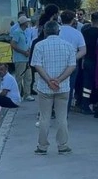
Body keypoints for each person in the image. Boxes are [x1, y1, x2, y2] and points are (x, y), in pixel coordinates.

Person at [30, 21, 76, 155]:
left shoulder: (39, 46)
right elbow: (72, 66)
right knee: (62, 118)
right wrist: (59, 80)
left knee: (44, 118)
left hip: (45, 88)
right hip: (63, 88)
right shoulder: (68, 46)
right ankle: (63, 146)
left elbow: (37, 65)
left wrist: (49, 80)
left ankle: (42, 146)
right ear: (58, 32)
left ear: (45, 31)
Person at [58, 10, 86, 112]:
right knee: (69, 88)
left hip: (57, 62)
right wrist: (73, 58)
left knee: (56, 85)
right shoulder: (77, 33)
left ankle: (55, 109)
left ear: (61, 19)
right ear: (72, 20)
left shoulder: (57, 31)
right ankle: (66, 110)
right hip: (72, 64)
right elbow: (83, 51)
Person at [78, 12, 98, 114]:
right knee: (97, 83)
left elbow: (82, 47)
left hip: (87, 59)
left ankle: (85, 104)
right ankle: (95, 103)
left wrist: (83, 60)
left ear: (91, 19)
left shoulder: (85, 32)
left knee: (86, 84)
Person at [10, 15, 34, 101]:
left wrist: (28, 50)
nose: (28, 23)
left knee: (28, 77)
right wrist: (23, 52)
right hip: (20, 59)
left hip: (26, 58)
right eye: (27, 22)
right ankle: (17, 95)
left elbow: (28, 43)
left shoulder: (26, 31)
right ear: (24, 23)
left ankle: (27, 94)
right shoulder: (17, 32)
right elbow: (13, 44)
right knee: (19, 78)